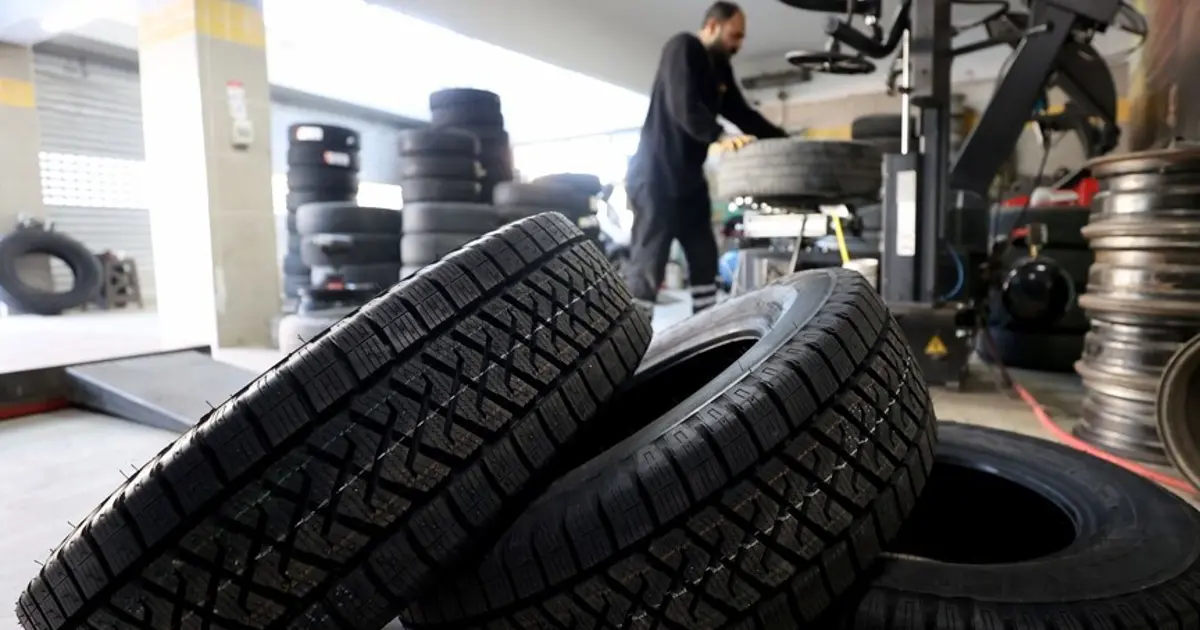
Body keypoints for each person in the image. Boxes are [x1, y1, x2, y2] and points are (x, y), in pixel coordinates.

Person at [624, 0, 787, 313]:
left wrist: (784, 141)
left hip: (690, 182)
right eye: (734, 35)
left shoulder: (720, 68)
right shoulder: (682, 48)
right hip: (655, 178)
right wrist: (720, 136)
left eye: (741, 38)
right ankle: (631, 342)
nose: (738, 44)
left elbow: (742, 113)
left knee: (704, 260)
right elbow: (683, 106)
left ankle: (703, 336)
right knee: (649, 266)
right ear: (712, 25)